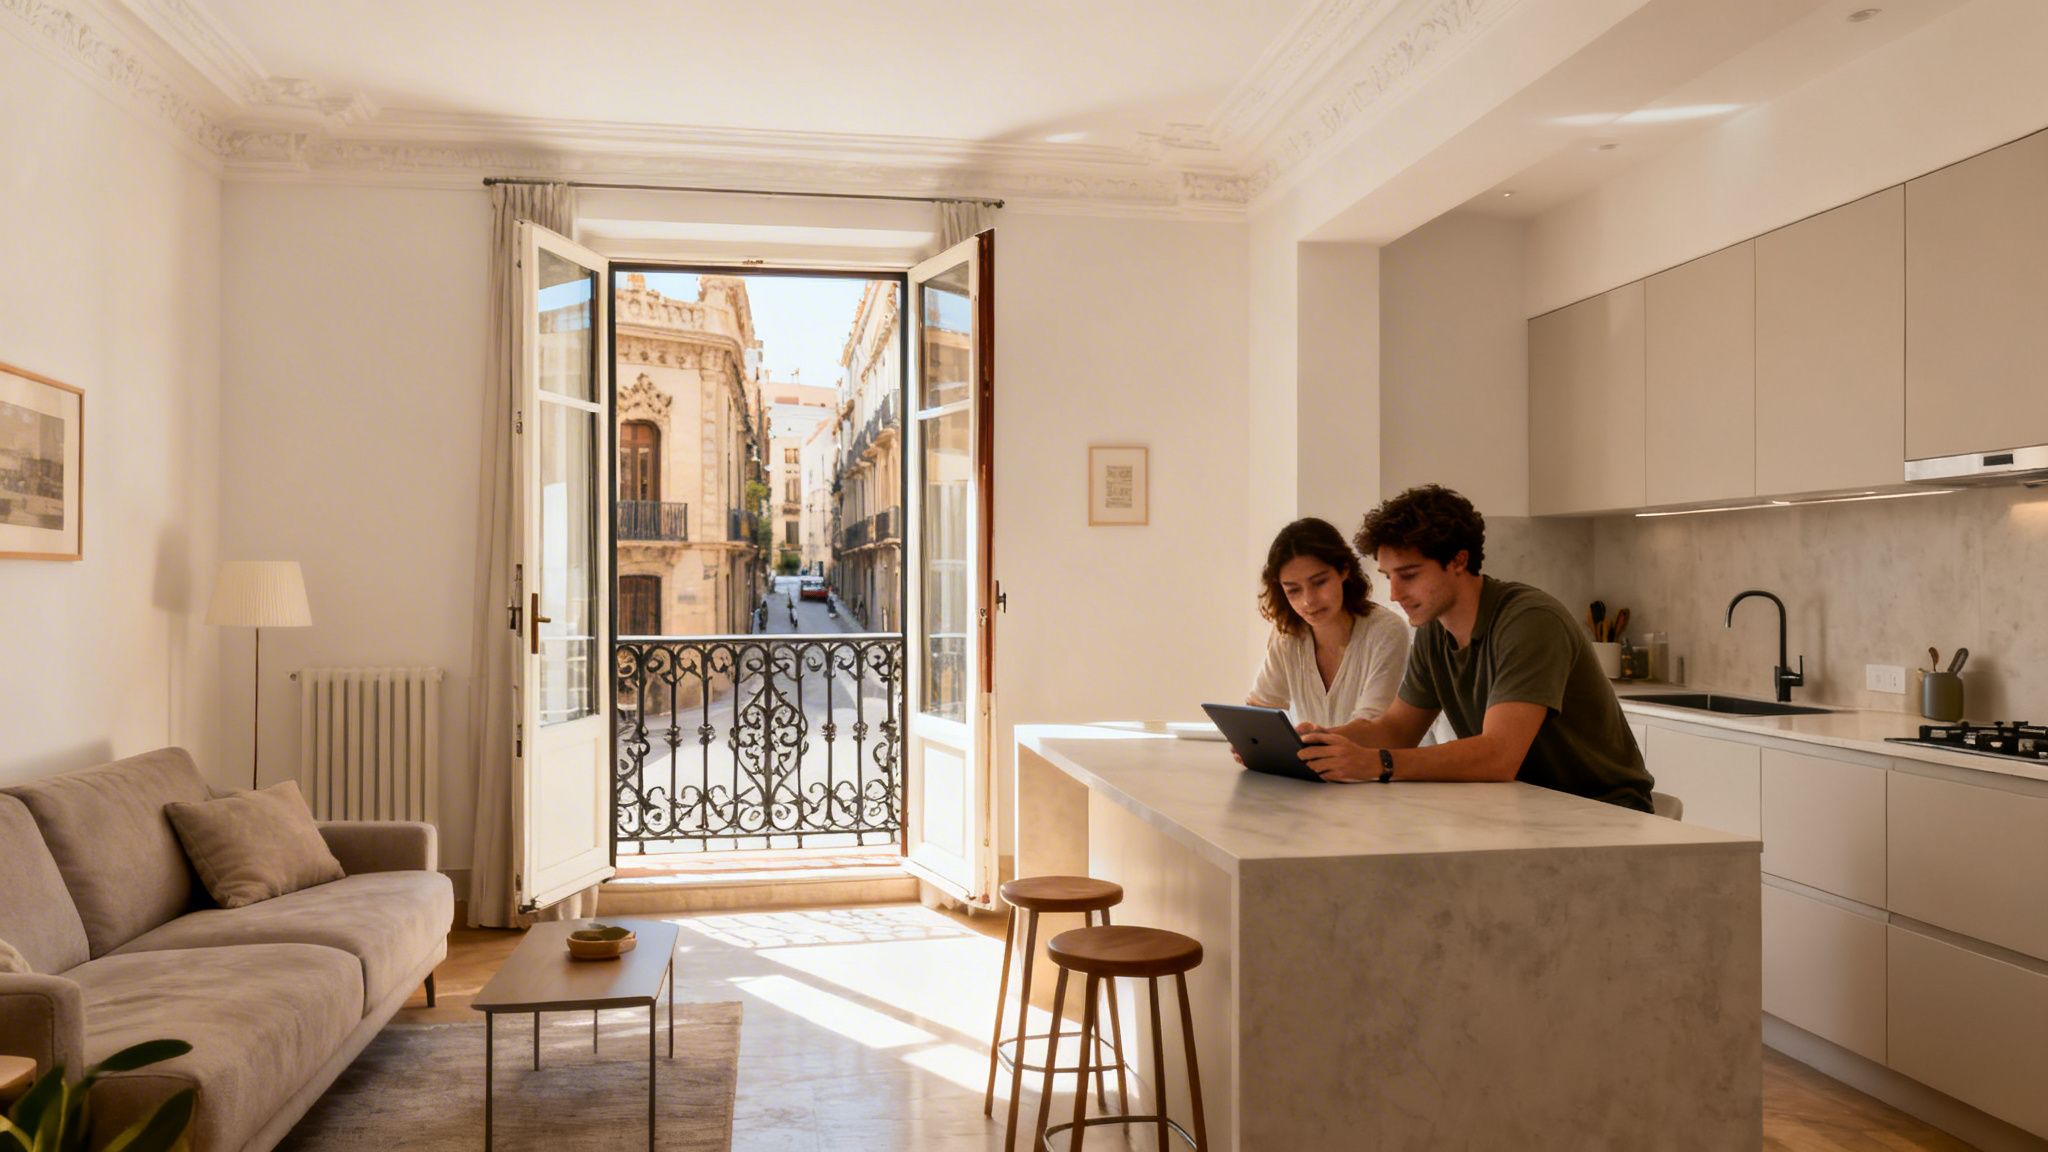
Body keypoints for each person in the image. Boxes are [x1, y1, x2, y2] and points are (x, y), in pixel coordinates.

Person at [1297, 485, 1654, 811]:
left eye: (1409, 575)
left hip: (1603, 811)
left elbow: (1498, 755)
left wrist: (1378, 763)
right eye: (1389, 577)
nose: (1394, 594)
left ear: (1458, 560)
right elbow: (1396, 730)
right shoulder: (1434, 632)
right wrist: (1318, 743)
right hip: (1527, 806)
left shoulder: (1529, 621)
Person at [1247, 518, 1410, 729]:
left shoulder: (1386, 630)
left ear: (1344, 570)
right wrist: (1252, 739)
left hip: (1373, 760)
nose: (1308, 601)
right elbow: (1261, 709)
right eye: (1293, 590)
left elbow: (1371, 727)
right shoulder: (1288, 634)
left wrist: (1312, 740)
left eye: (1319, 582)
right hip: (1311, 760)